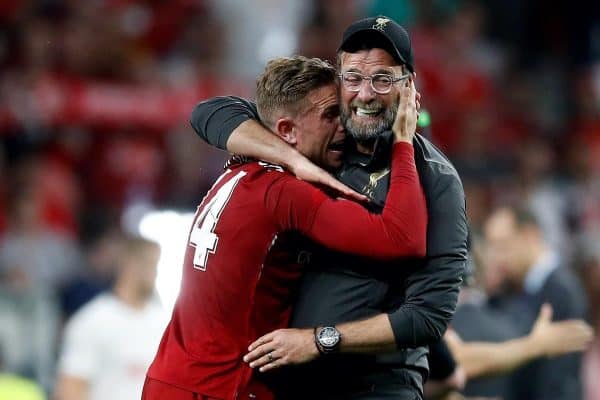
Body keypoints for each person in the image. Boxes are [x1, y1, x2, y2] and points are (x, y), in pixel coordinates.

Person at [191, 15, 468, 400]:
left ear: (409, 88)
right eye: (353, 78)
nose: (366, 94)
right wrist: (294, 160)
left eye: (383, 79)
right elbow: (210, 113)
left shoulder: (435, 179)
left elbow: (429, 315)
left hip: (376, 387)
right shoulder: (318, 142)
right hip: (291, 383)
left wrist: (320, 340)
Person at [144, 55, 427, 400]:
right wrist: (402, 141)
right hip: (226, 388)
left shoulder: (237, 168)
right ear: (287, 131)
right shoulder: (286, 194)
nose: (344, 125)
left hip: (168, 378)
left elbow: (210, 110)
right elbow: (403, 239)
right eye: (330, 115)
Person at [482, 206, 589, 400]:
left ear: (530, 235)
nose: (496, 257)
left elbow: (558, 378)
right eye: (492, 247)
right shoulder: (510, 290)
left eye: (502, 246)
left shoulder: (562, 291)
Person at [54, 236, 167, 400]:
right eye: (151, 265)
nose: (155, 273)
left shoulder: (164, 322)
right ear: (130, 265)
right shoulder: (91, 321)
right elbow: (71, 388)